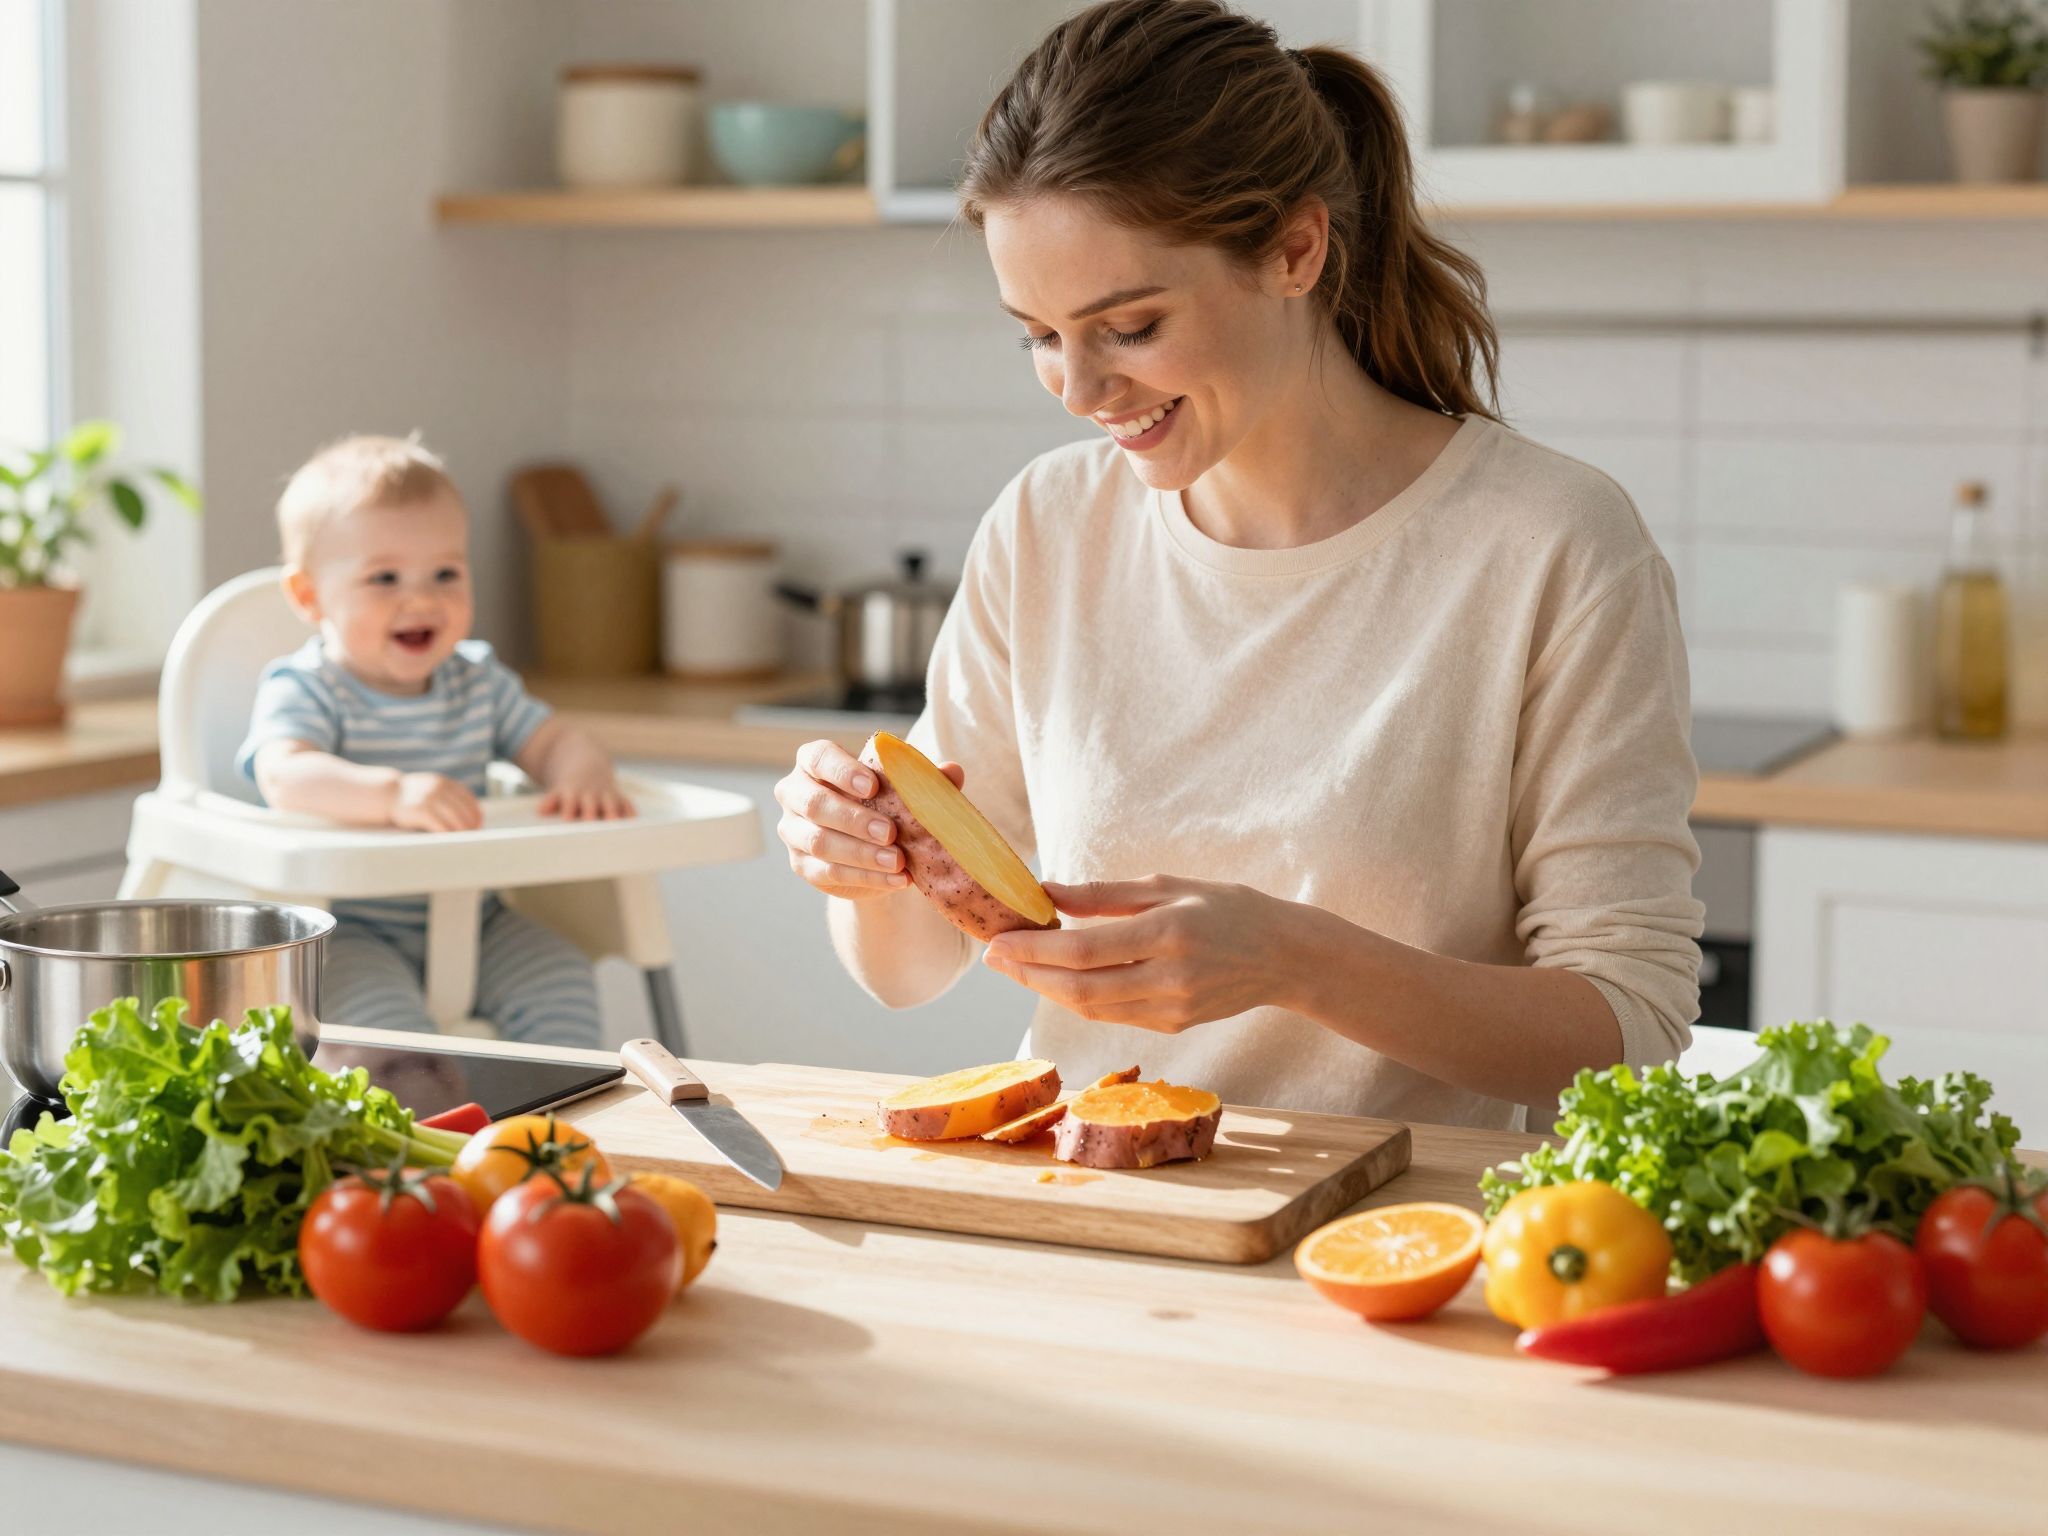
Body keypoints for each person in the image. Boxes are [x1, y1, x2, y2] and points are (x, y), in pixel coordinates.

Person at [774, 0, 1704, 1128]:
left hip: (1404, 1249)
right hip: (1099, 1209)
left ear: (1294, 250)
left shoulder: (1549, 544)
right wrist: (864, 866)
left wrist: (1293, 961)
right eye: (1036, 333)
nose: (1076, 387)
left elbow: (1627, 1026)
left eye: (1127, 326)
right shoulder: (1047, 525)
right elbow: (906, 971)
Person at [238, 433, 631, 1047]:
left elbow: (556, 740)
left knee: (563, 976)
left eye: (445, 572)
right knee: (391, 1039)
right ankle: (429, 1138)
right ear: (310, 596)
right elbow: (284, 773)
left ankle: (555, 1132)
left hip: (478, 916)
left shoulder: (476, 681)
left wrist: (581, 771)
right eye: (385, 578)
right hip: (348, 926)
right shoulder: (311, 688)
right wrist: (391, 794)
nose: (421, 599)